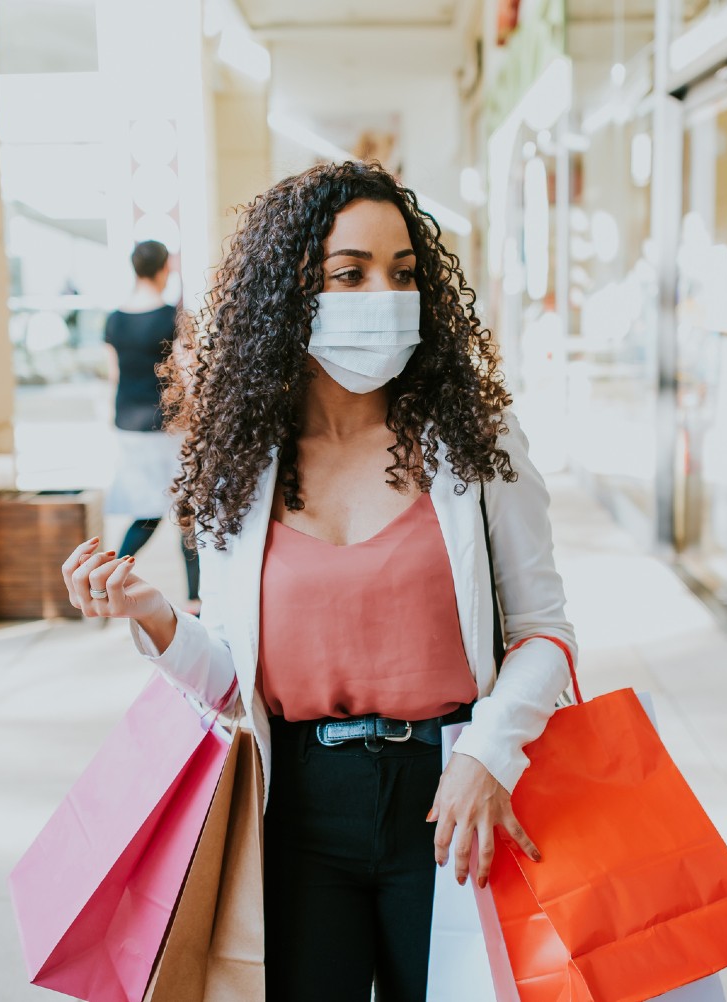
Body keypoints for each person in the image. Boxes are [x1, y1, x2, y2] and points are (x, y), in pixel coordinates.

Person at [62, 162, 575, 1002]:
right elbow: (237, 682)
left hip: (454, 799)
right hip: (297, 808)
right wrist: (151, 614)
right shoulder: (240, 456)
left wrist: (490, 753)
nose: (385, 293)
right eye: (351, 273)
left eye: (404, 273)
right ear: (290, 291)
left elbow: (546, 631)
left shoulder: (475, 440)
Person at [102, 239, 199, 612]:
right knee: (186, 509)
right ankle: (195, 599)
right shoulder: (171, 316)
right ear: (163, 269)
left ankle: (106, 579)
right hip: (166, 425)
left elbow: (113, 374)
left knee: (147, 509)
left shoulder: (114, 319)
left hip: (127, 423)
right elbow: (189, 373)